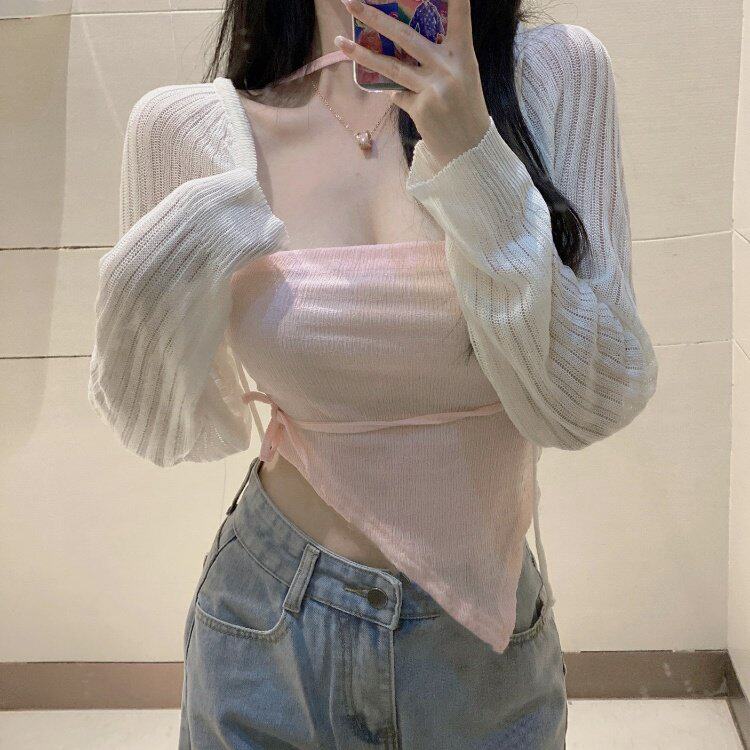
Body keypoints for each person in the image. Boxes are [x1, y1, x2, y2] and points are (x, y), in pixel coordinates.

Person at [88, 0, 659, 746]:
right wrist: (166, 270)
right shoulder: (187, 129)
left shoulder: (554, 73)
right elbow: (161, 430)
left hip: (479, 636)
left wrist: (475, 156)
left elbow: (587, 404)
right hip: (271, 624)